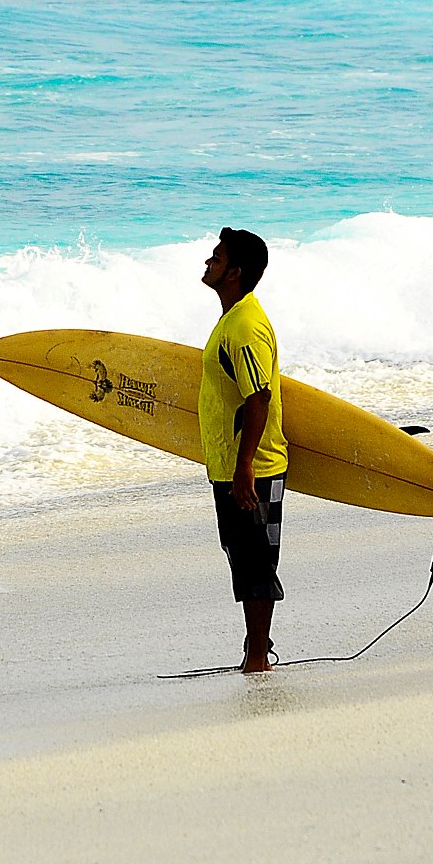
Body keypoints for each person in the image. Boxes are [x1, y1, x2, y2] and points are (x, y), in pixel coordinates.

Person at [198, 226, 287, 673]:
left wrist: (245, 466)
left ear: (234, 272)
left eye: (216, 257)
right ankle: (255, 650)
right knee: (243, 556)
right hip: (231, 463)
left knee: (255, 562)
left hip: (254, 467)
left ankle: (257, 658)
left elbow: (259, 398)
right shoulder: (233, 318)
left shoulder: (245, 327)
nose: (208, 262)